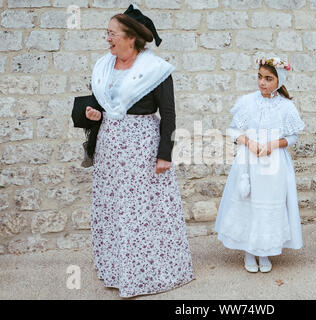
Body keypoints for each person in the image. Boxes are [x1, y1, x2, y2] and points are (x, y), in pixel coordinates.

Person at [73, 4, 194, 297]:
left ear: (130, 37)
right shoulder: (104, 65)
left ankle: (147, 275)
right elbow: (107, 108)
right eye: (107, 33)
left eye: (112, 33)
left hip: (143, 146)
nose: (107, 38)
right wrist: (94, 115)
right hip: (110, 148)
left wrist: (165, 154)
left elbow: (169, 114)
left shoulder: (156, 70)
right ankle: (118, 270)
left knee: (142, 211)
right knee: (115, 208)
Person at [215, 57, 305, 273]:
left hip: (273, 164)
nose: (262, 82)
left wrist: (274, 144)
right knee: (248, 201)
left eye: (268, 78)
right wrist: (250, 142)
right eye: (259, 77)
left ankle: (264, 250)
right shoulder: (247, 102)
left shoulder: (286, 107)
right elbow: (234, 130)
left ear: (278, 81)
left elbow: (293, 137)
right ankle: (249, 250)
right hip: (249, 162)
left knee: (268, 203)